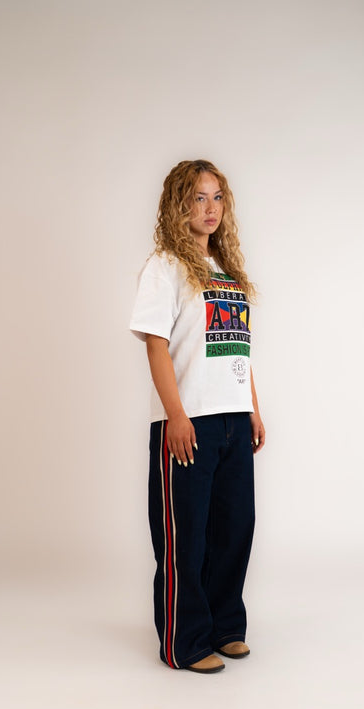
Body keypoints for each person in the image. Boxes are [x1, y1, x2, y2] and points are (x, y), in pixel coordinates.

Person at [130, 159, 265, 674]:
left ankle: (225, 627)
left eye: (217, 197)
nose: (210, 208)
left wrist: (252, 408)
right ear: (179, 205)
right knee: (185, 536)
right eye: (198, 198)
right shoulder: (164, 266)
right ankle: (184, 642)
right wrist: (176, 416)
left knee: (235, 528)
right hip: (188, 422)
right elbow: (156, 346)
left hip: (233, 419)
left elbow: (239, 347)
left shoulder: (226, 272)